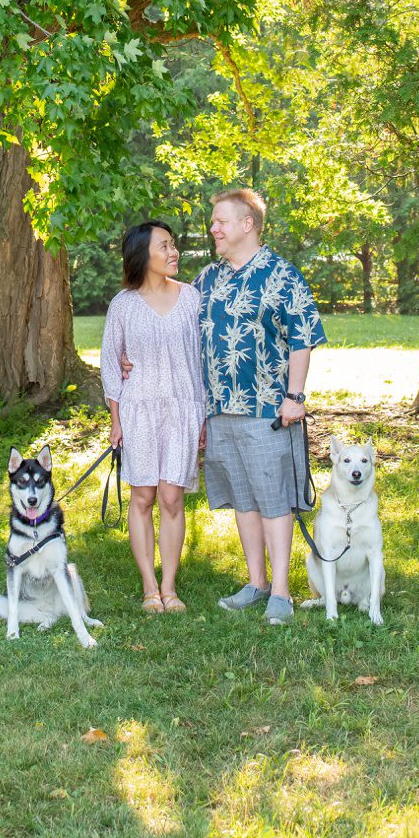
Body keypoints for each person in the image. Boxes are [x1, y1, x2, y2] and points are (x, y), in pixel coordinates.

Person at [195, 186, 327, 626]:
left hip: (268, 411)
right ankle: (257, 582)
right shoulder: (209, 278)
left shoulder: (280, 275)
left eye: (221, 221)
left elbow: (303, 336)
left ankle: (283, 594)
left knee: (273, 500)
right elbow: (177, 322)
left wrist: (295, 396)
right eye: (213, 221)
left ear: (246, 224)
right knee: (244, 499)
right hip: (219, 409)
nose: (213, 228)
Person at [99, 220, 208, 613]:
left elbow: (202, 360)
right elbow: (111, 363)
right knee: (143, 496)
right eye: (164, 246)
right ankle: (149, 588)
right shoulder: (123, 305)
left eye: (173, 244)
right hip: (138, 409)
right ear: (143, 255)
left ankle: (170, 586)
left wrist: (205, 416)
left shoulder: (193, 298)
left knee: (173, 497)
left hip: (183, 407)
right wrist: (116, 420)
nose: (173, 252)